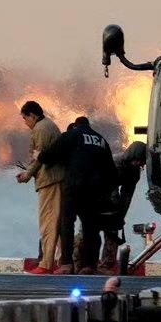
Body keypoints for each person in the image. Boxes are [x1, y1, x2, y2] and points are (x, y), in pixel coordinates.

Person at [38, 116, 117, 275]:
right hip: (95, 190)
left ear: (75, 125)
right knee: (91, 227)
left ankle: (67, 264)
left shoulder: (72, 135)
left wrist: (38, 156)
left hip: (74, 186)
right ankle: (89, 265)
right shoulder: (101, 140)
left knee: (66, 223)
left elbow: (48, 155)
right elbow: (112, 172)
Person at [16, 101, 65, 274]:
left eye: (25, 118)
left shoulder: (41, 129)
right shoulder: (49, 125)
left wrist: (27, 175)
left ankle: (46, 264)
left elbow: (40, 157)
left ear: (32, 115)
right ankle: (62, 260)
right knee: (57, 223)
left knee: (48, 223)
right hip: (56, 179)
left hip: (49, 181)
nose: (25, 122)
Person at [98, 141, 147, 273]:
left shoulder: (134, 172)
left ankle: (106, 265)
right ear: (131, 156)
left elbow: (127, 195)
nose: (139, 164)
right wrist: (113, 210)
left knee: (112, 231)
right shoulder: (114, 163)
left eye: (142, 162)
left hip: (110, 197)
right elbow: (110, 187)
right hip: (96, 192)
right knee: (89, 231)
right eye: (137, 160)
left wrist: (120, 216)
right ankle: (84, 263)